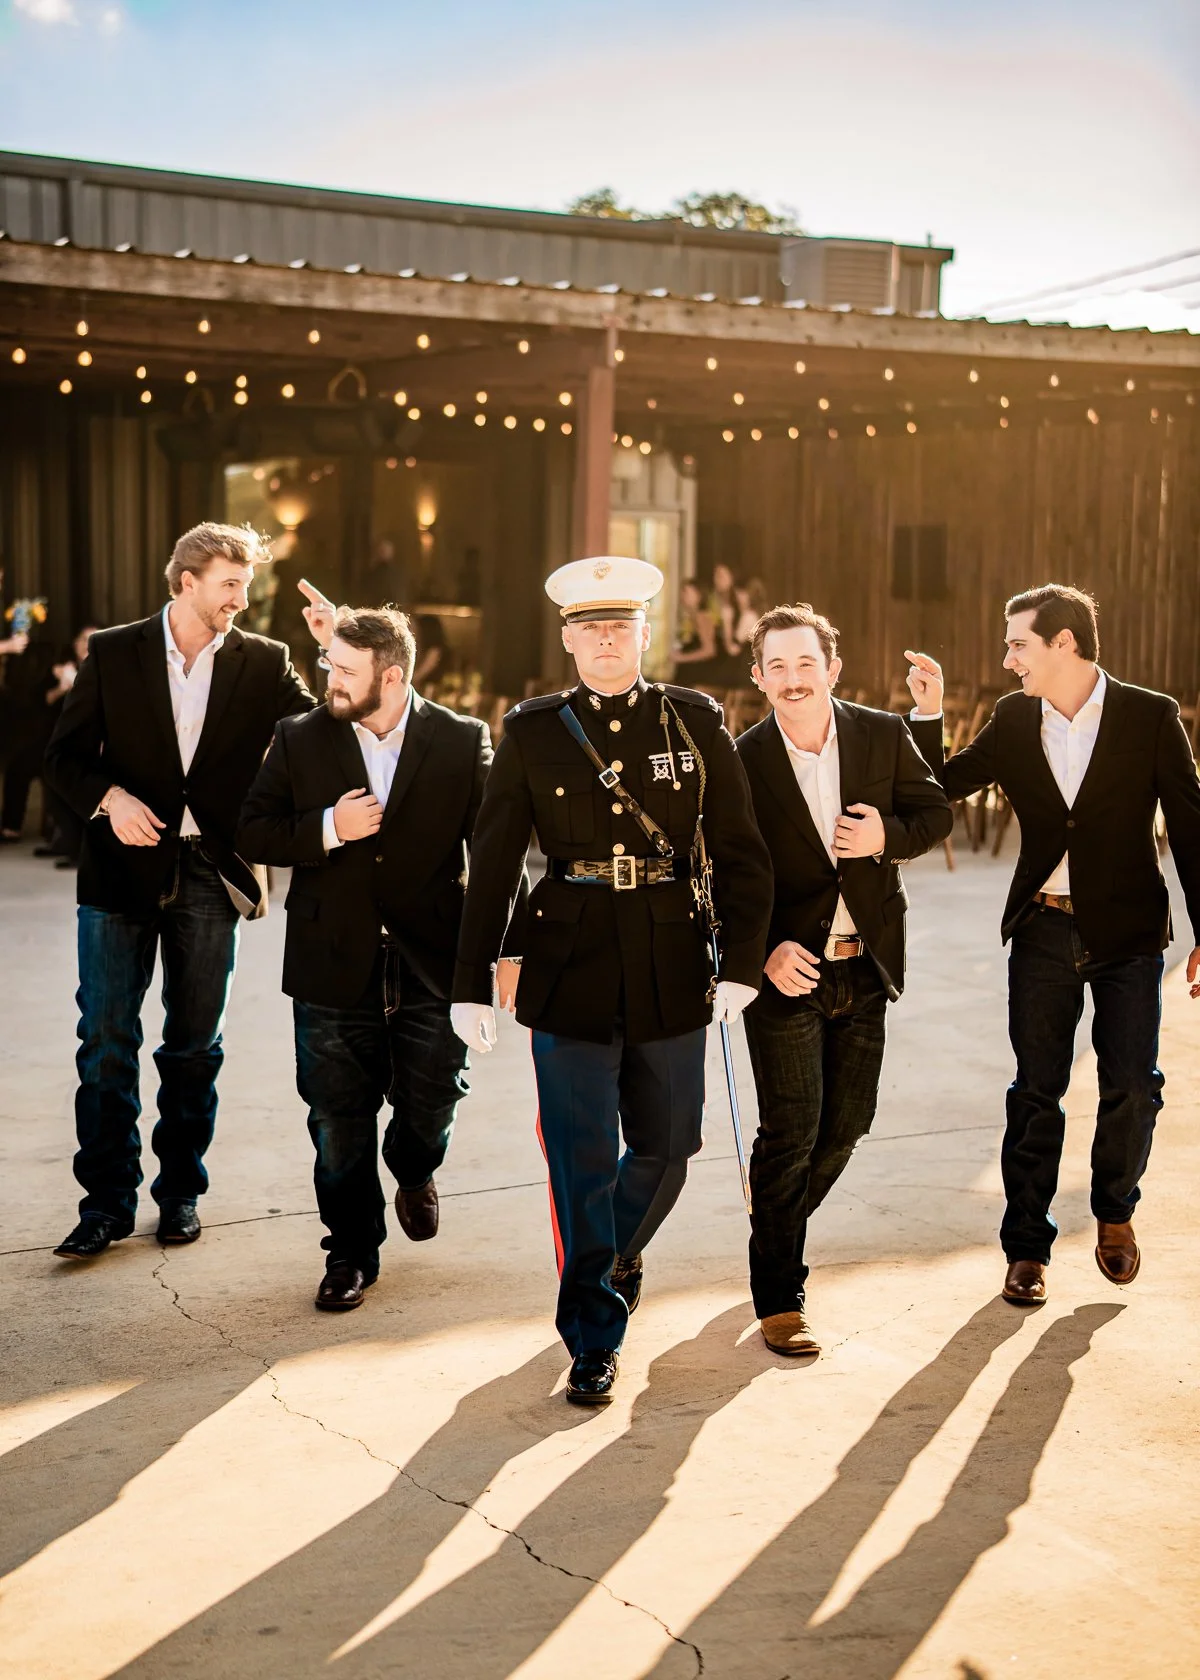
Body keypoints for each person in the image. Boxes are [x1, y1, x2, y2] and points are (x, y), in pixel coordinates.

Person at [451, 555, 773, 1406]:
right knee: (580, 1157)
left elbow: (741, 850)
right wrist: (469, 981)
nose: (605, 639)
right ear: (567, 639)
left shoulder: (694, 719)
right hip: (570, 956)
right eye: (589, 627)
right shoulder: (533, 731)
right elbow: (491, 864)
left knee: (671, 1145)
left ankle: (609, 1258)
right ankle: (593, 1334)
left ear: (643, 634)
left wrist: (741, 964)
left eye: (619, 625)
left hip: (672, 951)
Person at [906, 584, 1200, 1306]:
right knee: (1036, 1090)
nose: (1008, 660)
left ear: (1064, 643)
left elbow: (1192, 828)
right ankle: (1027, 1247)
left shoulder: (1150, 717)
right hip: (1041, 928)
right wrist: (927, 714)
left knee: (1133, 1086)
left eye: (1018, 645)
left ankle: (1113, 1211)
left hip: (1129, 932)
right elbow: (937, 789)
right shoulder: (1013, 719)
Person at [43, 524, 326, 1260]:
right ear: (185, 582)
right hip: (119, 872)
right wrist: (112, 800)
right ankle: (105, 1203)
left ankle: (180, 1195)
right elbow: (63, 758)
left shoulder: (265, 661)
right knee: (105, 1040)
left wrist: (335, 646)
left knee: (194, 1045)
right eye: (229, 584)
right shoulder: (113, 651)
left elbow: (326, 731)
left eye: (246, 585)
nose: (242, 598)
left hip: (212, 871)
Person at [237, 607, 499, 1311]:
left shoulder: (462, 739)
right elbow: (252, 828)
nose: (329, 678)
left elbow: (496, 853)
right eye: (328, 663)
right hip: (330, 959)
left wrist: (505, 953)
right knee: (335, 1117)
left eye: (344, 670)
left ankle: (414, 1170)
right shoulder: (300, 738)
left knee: (432, 1103)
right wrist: (329, 827)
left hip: (432, 964)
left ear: (391, 675)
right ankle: (351, 1251)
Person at [736, 604, 951, 1355]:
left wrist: (884, 836)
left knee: (848, 1124)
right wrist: (762, 951)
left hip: (866, 964)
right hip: (787, 974)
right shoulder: (743, 761)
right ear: (758, 676)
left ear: (833, 669)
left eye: (807, 664)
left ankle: (774, 1216)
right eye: (778, 667)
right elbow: (723, 876)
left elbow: (936, 813)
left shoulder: (882, 735)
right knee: (791, 1130)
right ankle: (779, 1294)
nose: (793, 680)